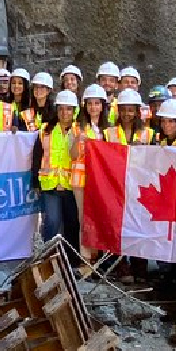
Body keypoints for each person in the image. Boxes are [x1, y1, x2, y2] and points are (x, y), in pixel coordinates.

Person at [32, 90, 81, 262]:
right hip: (50, 183)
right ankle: (47, 258)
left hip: (71, 184)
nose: (64, 113)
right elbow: (37, 156)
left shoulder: (79, 131)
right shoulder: (45, 130)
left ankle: (72, 259)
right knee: (52, 222)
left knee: (71, 223)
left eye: (69, 109)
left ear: (74, 111)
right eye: (61, 109)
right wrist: (34, 182)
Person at [70, 85, 107, 260]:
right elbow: (72, 155)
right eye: (90, 103)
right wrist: (78, 140)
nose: (93, 107)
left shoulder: (109, 129)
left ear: (102, 106)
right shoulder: (77, 128)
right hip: (81, 180)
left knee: (101, 218)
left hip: (102, 181)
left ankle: (98, 258)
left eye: (96, 103)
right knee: (85, 220)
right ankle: (86, 259)